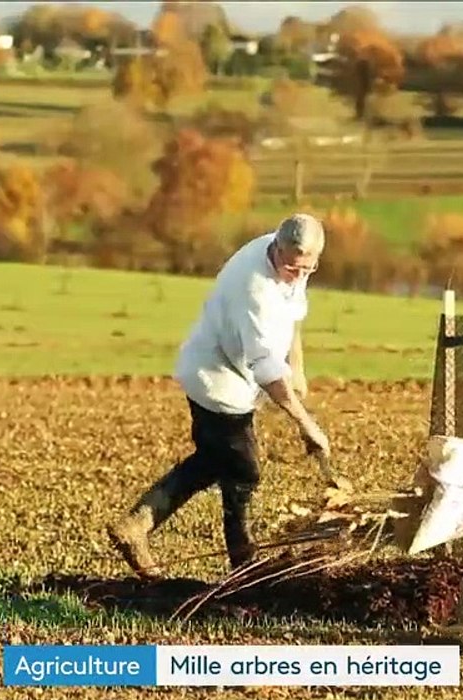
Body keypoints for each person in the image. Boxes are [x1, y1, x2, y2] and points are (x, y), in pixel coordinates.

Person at [107, 214, 333, 579]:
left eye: (306, 269)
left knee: (213, 459)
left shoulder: (291, 259)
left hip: (232, 372)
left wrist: (298, 364)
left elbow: (294, 312)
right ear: (276, 247)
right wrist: (306, 424)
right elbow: (265, 368)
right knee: (243, 470)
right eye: (291, 267)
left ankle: (137, 525)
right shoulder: (256, 290)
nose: (297, 275)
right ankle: (243, 565)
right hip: (217, 380)